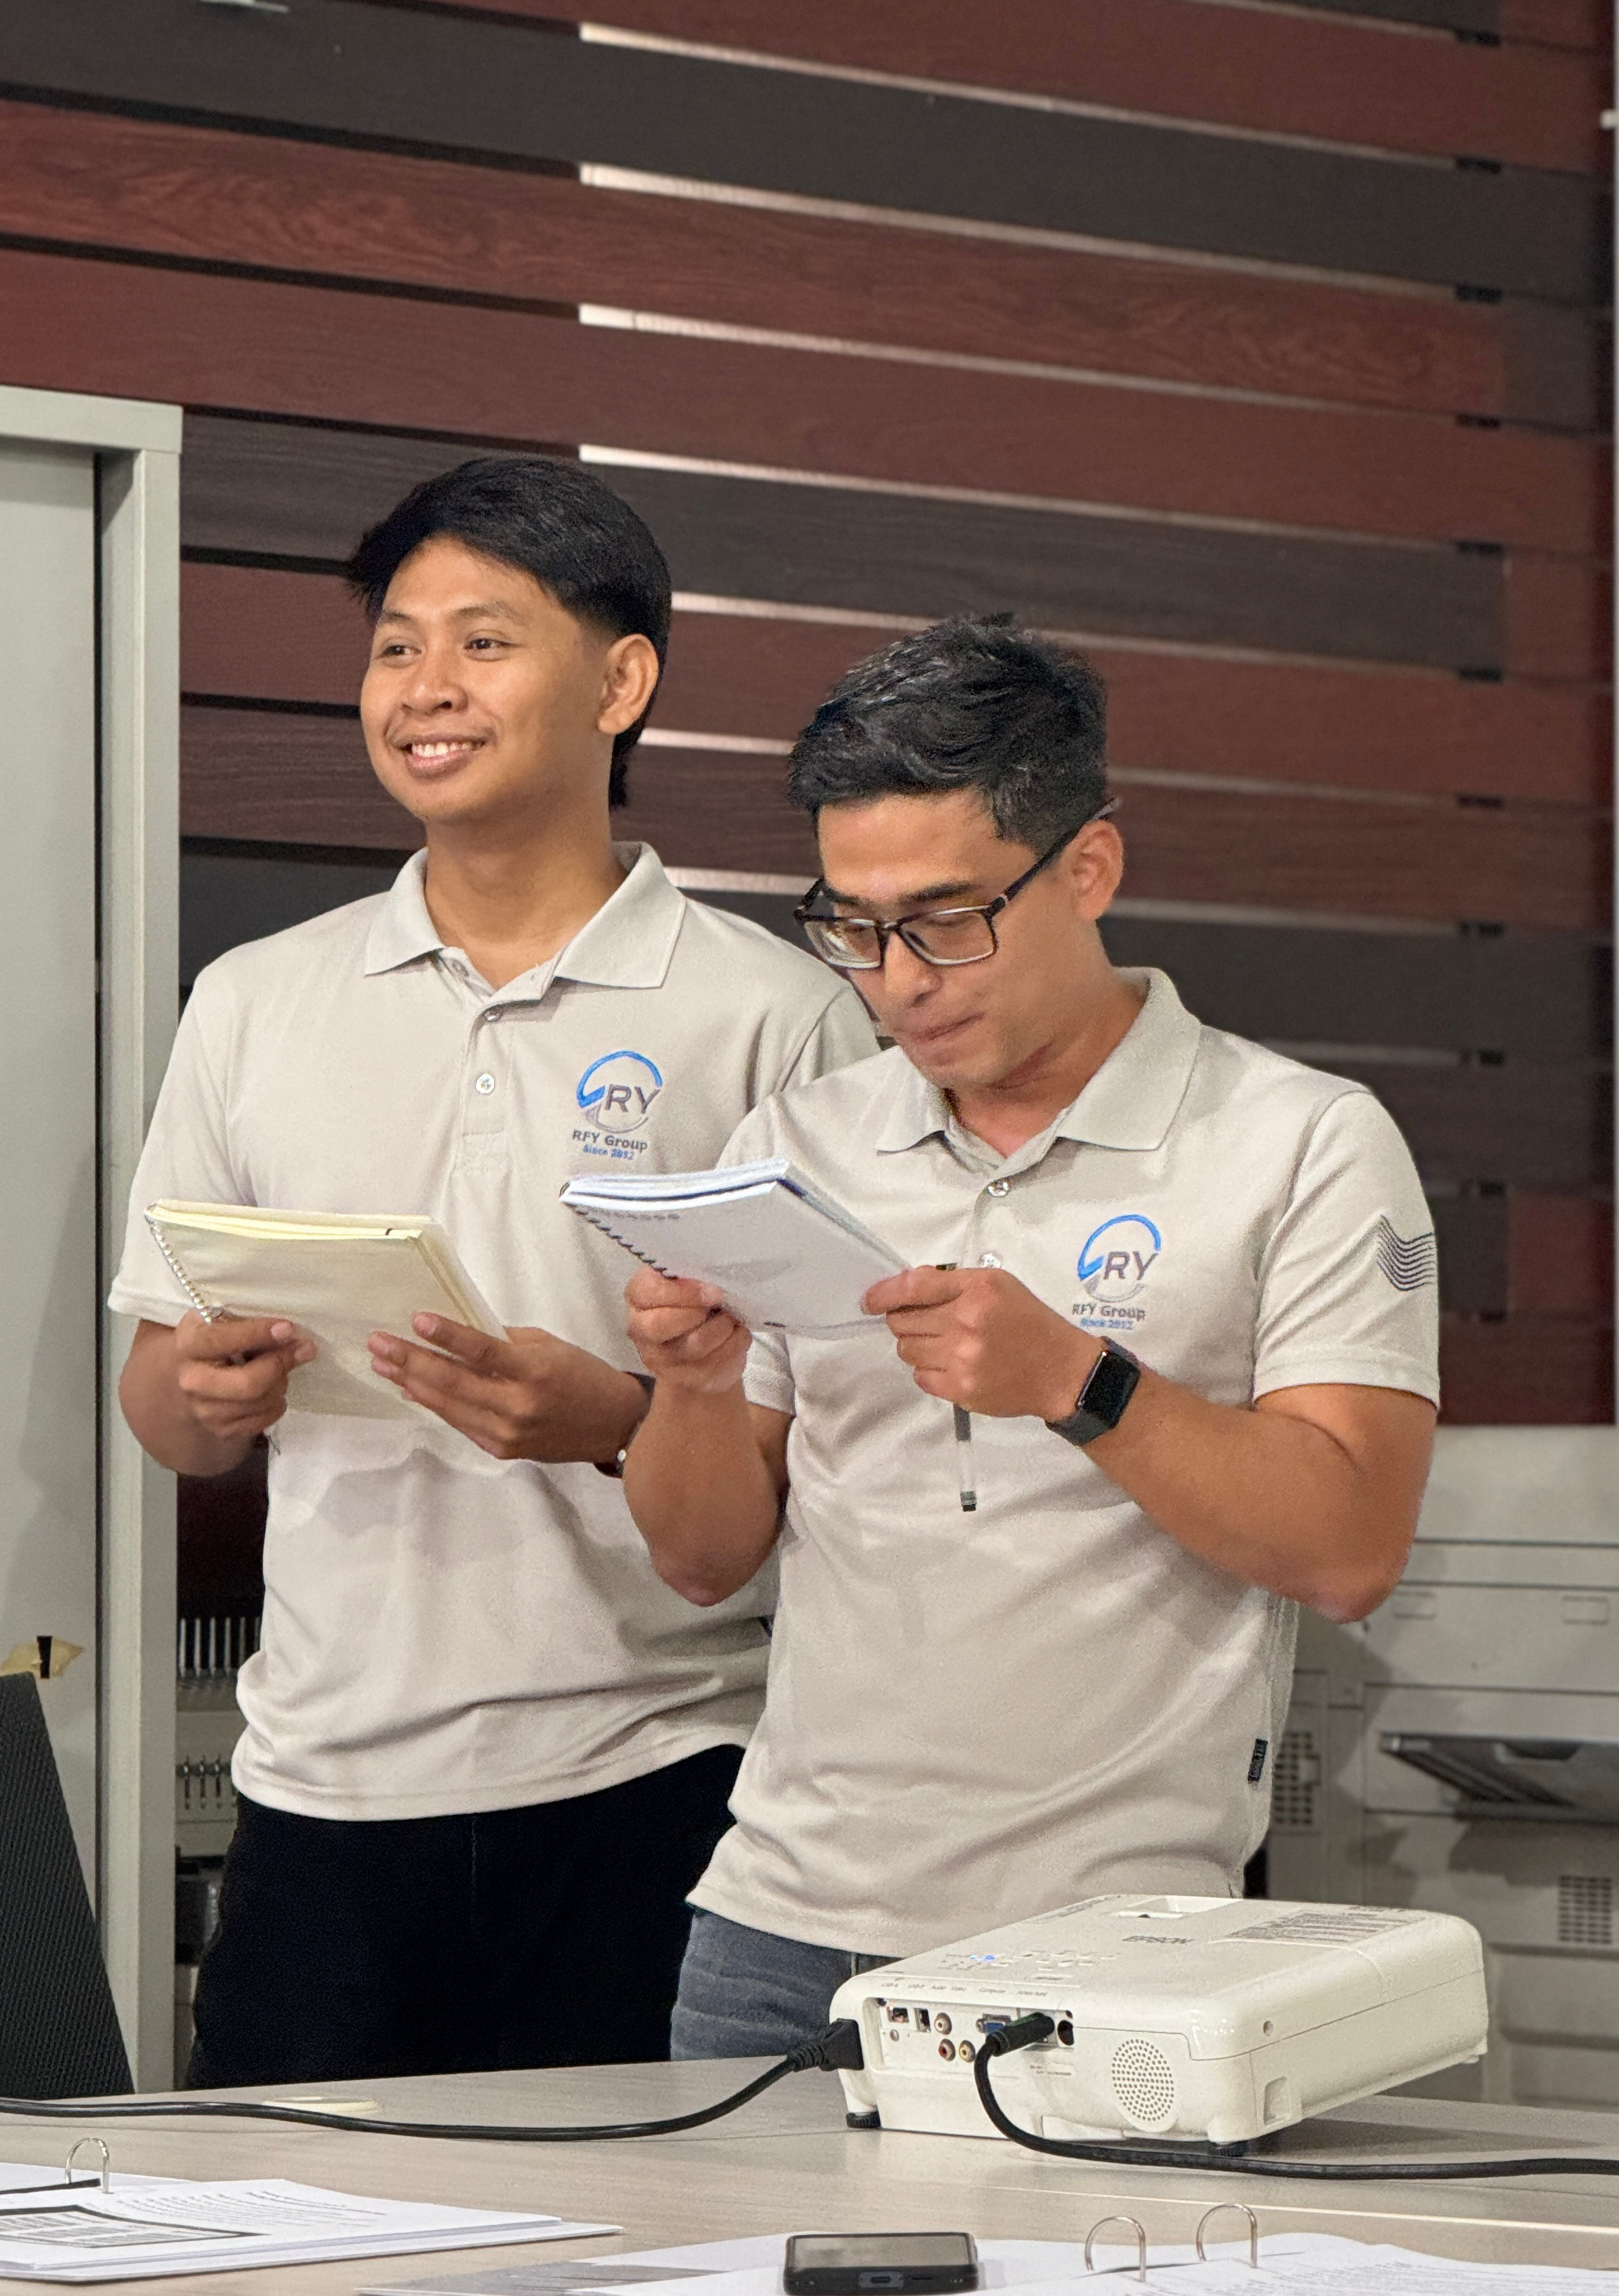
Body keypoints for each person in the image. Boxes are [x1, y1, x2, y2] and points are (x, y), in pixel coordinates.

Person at [109, 456, 876, 2085]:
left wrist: (615, 1420)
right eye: (396, 646)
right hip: (320, 1787)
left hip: (655, 1776)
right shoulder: (256, 999)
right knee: (287, 2218)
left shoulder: (774, 1016)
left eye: (483, 641)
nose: (425, 688)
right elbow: (161, 1411)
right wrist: (200, 1391)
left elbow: (843, 1447)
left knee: (644, 2222)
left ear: (622, 681)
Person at [617, 617, 1441, 2057]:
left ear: (1089, 867)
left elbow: (1349, 1547)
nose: (900, 980)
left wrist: (1078, 1380)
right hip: (772, 1934)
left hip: (1121, 1946)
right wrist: (689, 1391)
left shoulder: (1303, 1140)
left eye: (947, 921)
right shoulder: (797, 1142)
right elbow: (698, 1561)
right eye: (854, 929)